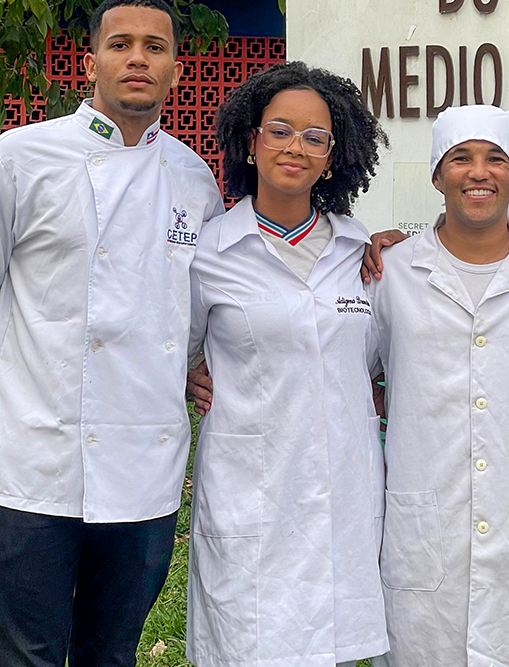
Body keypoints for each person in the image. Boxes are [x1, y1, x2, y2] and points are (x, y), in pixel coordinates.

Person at [0, 0, 224, 667]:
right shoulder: (19, 159)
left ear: (176, 70)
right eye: (120, 43)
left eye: (155, 47)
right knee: (26, 655)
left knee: (111, 653)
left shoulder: (194, 181)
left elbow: (195, 307)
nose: (137, 59)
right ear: (89, 61)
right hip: (30, 460)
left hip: (144, 469)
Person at [184, 62, 390, 667]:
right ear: (250, 141)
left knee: (332, 646)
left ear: (334, 155)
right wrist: (191, 377)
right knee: (249, 646)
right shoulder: (208, 253)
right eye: (279, 130)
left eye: (314, 136)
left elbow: (374, 364)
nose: (295, 147)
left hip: (343, 495)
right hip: (251, 496)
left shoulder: (364, 255)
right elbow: (174, 349)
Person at [368, 105, 509, 667]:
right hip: (424, 534)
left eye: (496, 159)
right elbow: (349, 375)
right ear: (437, 175)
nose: (478, 173)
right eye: (460, 158)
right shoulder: (391, 272)